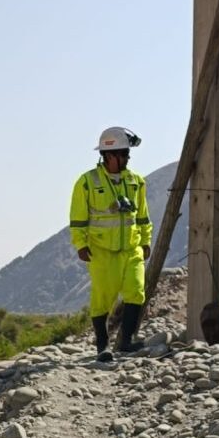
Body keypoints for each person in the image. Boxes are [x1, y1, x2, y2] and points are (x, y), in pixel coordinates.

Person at [69, 126, 152, 361]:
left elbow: (143, 216)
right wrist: (81, 245)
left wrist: (145, 241)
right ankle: (102, 346)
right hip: (101, 251)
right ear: (109, 155)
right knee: (102, 298)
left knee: (136, 292)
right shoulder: (86, 182)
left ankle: (125, 342)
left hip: (131, 248)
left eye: (127, 154)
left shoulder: (136, 182)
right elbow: (77, 218)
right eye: (124, 154)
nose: (127, 158)